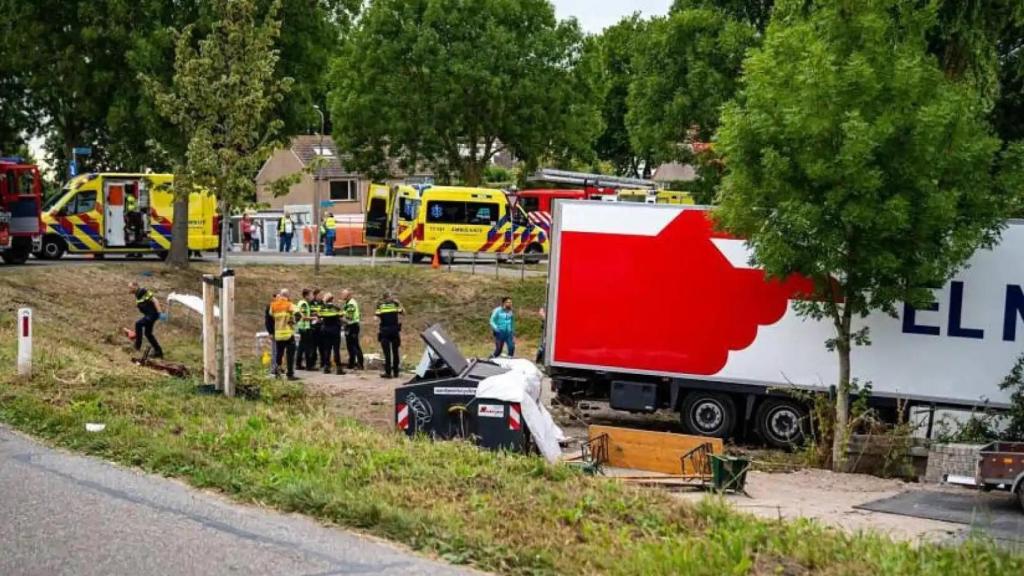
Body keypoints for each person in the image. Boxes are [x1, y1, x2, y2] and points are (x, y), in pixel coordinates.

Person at [129, 281, 164, 358]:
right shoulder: (137, 295)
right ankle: (158, 352)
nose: (129, 289)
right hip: (149, 315)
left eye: (131, 288)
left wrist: (160, 312)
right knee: (148, 334)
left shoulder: (143, 291)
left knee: (138, 324)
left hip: (152, 314)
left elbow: (155, 300)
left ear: (136, 286)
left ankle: (137, 346)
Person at [270, 289, 299, 380]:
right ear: (287, 295)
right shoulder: (289, 304)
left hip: (278, 333)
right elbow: (298, 314)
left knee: (279, 353)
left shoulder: (273, 305)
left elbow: (271, 314)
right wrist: (293, 322)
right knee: (290, 354)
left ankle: (277, 373)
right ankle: (290, 374)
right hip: (288, 333)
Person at [375, 291, 404, 378]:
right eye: (391, 296)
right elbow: (403, 313)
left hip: (385, 331)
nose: (392, 298)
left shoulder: (380, 305)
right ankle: (395, 372)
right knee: (395, 352)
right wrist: (399, 303)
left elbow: (376, 317)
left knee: (387, 353)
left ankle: (388, 373)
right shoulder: (395, 304)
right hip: (394, 331)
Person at [318, 293, 345, 374]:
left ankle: (326, 367)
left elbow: (319, 317)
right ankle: (338, 368)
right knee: (336, 349)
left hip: (325, 329)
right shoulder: (336, 308)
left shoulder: (322, 308)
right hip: (335, 330)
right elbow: (341, 316)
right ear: (332, 299)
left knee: (327, 349)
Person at [340, 289, 365, 370]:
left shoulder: (351, 303)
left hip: (352, 326)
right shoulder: (347, 303)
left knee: (355, 345)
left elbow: (349, 317)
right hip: (349, 326)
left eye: (343, 294)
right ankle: (351, 363)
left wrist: (340, 317)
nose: (342, 296)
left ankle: (360, 364)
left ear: (348, 295)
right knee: (350, 346)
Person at [295, 289, 314, 371]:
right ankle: (308, 366)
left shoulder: (301, 303)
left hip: (301, 328)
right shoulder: (304, 304)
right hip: (304, 328)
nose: (312, 297)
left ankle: (299, 364)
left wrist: (312, 314)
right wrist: (314, 318)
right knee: (306, 347)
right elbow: (304, 317)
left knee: (301, 347)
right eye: (311, 295)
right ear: (306, 296)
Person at [264, 290, 279, 376]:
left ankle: (278, 367)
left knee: (279, 351)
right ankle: (274, 368)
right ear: (274, 298)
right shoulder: (270, 306)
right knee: (274, 350)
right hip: (274, 331)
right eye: (278, 297)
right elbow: (267, 321)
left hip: (281, 332)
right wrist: (270, 332)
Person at [309, 288, 324, 369]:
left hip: (321, 327)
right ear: (315, 295)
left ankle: (323, 363)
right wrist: (315, 314)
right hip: (313, 328)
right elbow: (309, 313)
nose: (321, 296)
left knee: (322, 347)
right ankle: (312, 363)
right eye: (319, 295)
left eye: (321, 295)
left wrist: (320, 316)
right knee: (313, 347)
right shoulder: (310, 303)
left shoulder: (322, 303)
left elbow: (324, 313)